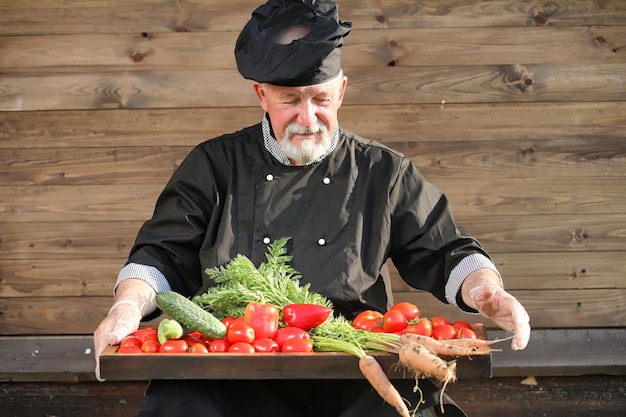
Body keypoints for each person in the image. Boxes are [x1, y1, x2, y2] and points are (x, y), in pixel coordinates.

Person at [93, 0, 531, 416]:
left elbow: (444, 249)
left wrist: (485, 290)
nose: (307, 118)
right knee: (179, 404)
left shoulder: (383, 171)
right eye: (290, 100)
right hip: (236, 363)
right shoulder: (213, 165)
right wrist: (127, 308)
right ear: (262, 95)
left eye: (320, 99)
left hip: (355, 365)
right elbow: (160, 256)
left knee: (409, 406)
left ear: (340, 91)